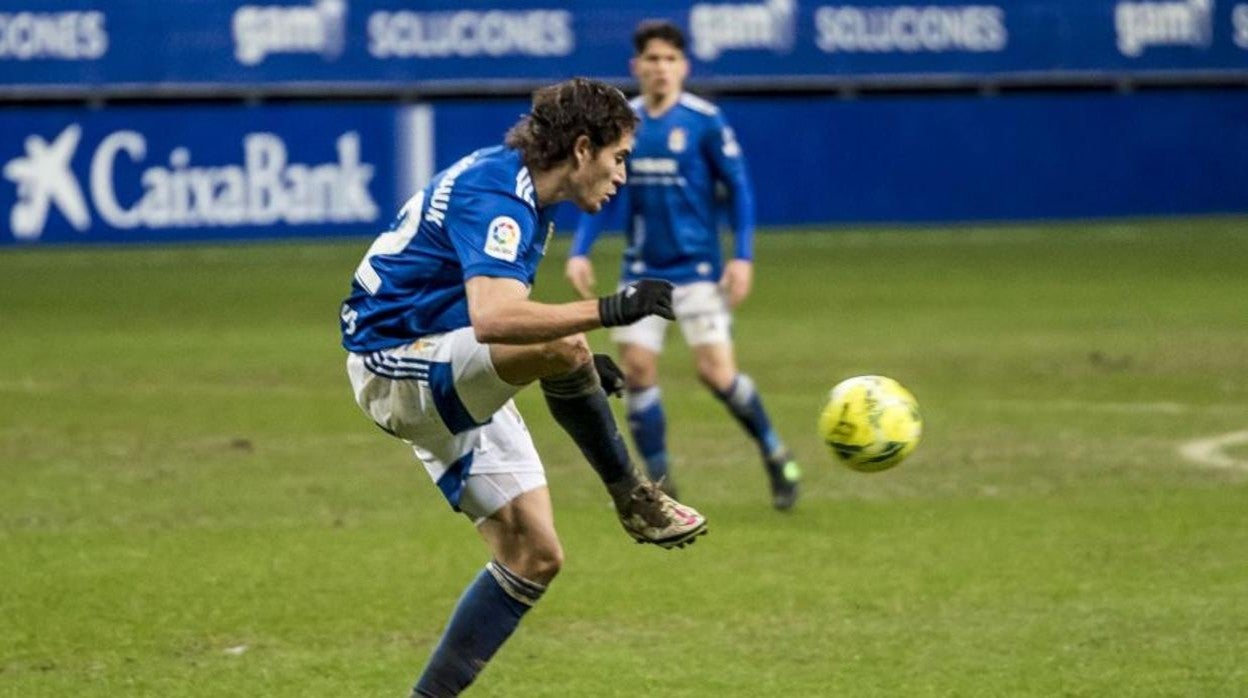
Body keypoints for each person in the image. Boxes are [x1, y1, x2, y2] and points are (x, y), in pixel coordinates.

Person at [339, 77, 707, 698]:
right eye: (619, 158)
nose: (622, 176)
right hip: (392, 364)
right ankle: (633, 497)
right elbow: (496, 319)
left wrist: (580, 366)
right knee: (564, 344)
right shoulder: (499, 194)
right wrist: (608, 311)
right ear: (584, 147)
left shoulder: (527, 197)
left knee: (535, 553)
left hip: (441, 353)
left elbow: (498, 320)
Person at [565, 21, 801, 511]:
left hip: (697, 273)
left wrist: (742, 256)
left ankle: (776, 453)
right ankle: (659, 484)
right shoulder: (623, 124)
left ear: (684, 67)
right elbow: (605, 193)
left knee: (717, 375)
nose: (660, 69)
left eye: (670, 60)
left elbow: (739, 190)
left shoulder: (704, 121)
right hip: (641, 271)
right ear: (637, 67)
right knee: (637, 371)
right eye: (651, 59)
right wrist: (581, 248)